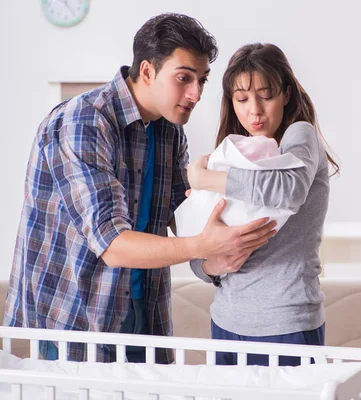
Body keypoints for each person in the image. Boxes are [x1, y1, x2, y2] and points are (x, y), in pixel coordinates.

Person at [3, 13, 276, 364]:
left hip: (145, 323)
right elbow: (112, 244)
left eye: (202, 80)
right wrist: (202, 245)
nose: (195, 94)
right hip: (75, 322)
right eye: (184, 78)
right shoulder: (84, 122)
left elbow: (184, 216)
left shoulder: (168, 131)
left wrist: (232, 216)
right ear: (147, 71)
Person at [188, 43, 340, 366]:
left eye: (265, 95)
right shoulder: (234, 152)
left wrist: (202, 180)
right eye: (242, 100)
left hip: (287, 324)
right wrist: (214, 267)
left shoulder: (300, 137)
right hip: (226, 321)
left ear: (285, 94)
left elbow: (288, 190)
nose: (254, 111)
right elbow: (197, 248)